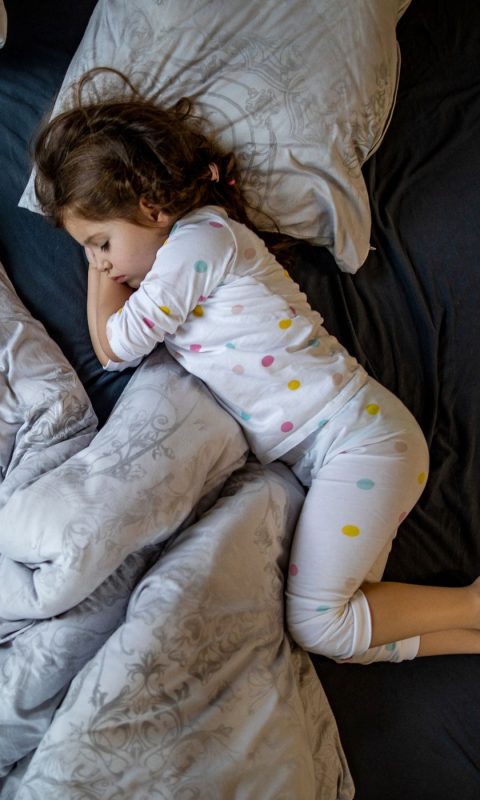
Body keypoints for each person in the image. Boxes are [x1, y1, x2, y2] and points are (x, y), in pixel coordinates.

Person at [32, 69, 480, 664]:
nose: (99, 264)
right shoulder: (189, 250)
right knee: (342, 636)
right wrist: (104, 249)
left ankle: (473, 605)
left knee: (319, 625)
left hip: (357, 441)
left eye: (100, 242)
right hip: (340, 450)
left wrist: (95, 278)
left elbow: (116, 347)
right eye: (88, 252)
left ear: (153, 206)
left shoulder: (200, 241)